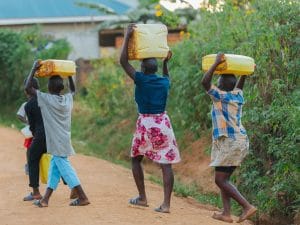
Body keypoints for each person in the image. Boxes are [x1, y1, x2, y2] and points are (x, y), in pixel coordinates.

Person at [120, 24, 181, 213]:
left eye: (141, 65)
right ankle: (166, 204)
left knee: (136, 160)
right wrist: (165, 63)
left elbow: (123, 62)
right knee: (166, 164)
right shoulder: (164, 82)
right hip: (163, 123)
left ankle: (143, 197)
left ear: (143, 68)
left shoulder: (141, 79)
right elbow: (166, 76)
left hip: (145, 125)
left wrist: (127, 36)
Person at [201, 53, 257, 223]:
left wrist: (216, 63)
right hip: (238, 141)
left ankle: (247, 206)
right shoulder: (237, 95)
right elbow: (239, 85)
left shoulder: (220, 96)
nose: (216, 83)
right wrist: (244, 74)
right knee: (224, 178)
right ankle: (226, 213)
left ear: (223, 86)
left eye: (218, 82)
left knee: (220, 179)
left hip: (230, 142)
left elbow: (205, 82)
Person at [25, 61, 89, 207]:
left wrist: (33, 69)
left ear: (48, 87)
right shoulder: (67, 99)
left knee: (64, 167)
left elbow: (28, 88)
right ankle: (45, 199)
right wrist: (69, 75)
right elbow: (73, 91)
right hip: (62, 139)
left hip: (56, 141)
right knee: (54, 169)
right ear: (62, 87)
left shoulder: (47, 100)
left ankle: (83, 196)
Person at [22, 77, 47, 201]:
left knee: (32, 157)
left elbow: (32, 127)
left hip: (40, 136)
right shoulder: (47, 99)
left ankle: (36, 192)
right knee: (59, 160)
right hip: (53, 136)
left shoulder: (29, 105)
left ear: (27, 91)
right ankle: (73, 186)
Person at [16, 100, 32, 175]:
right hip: (31, 130)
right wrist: (27, 122)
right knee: (29, 148)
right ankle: (29, 166)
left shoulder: (42, 102)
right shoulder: (26, 104)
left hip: (41, 129)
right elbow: (19, 115)